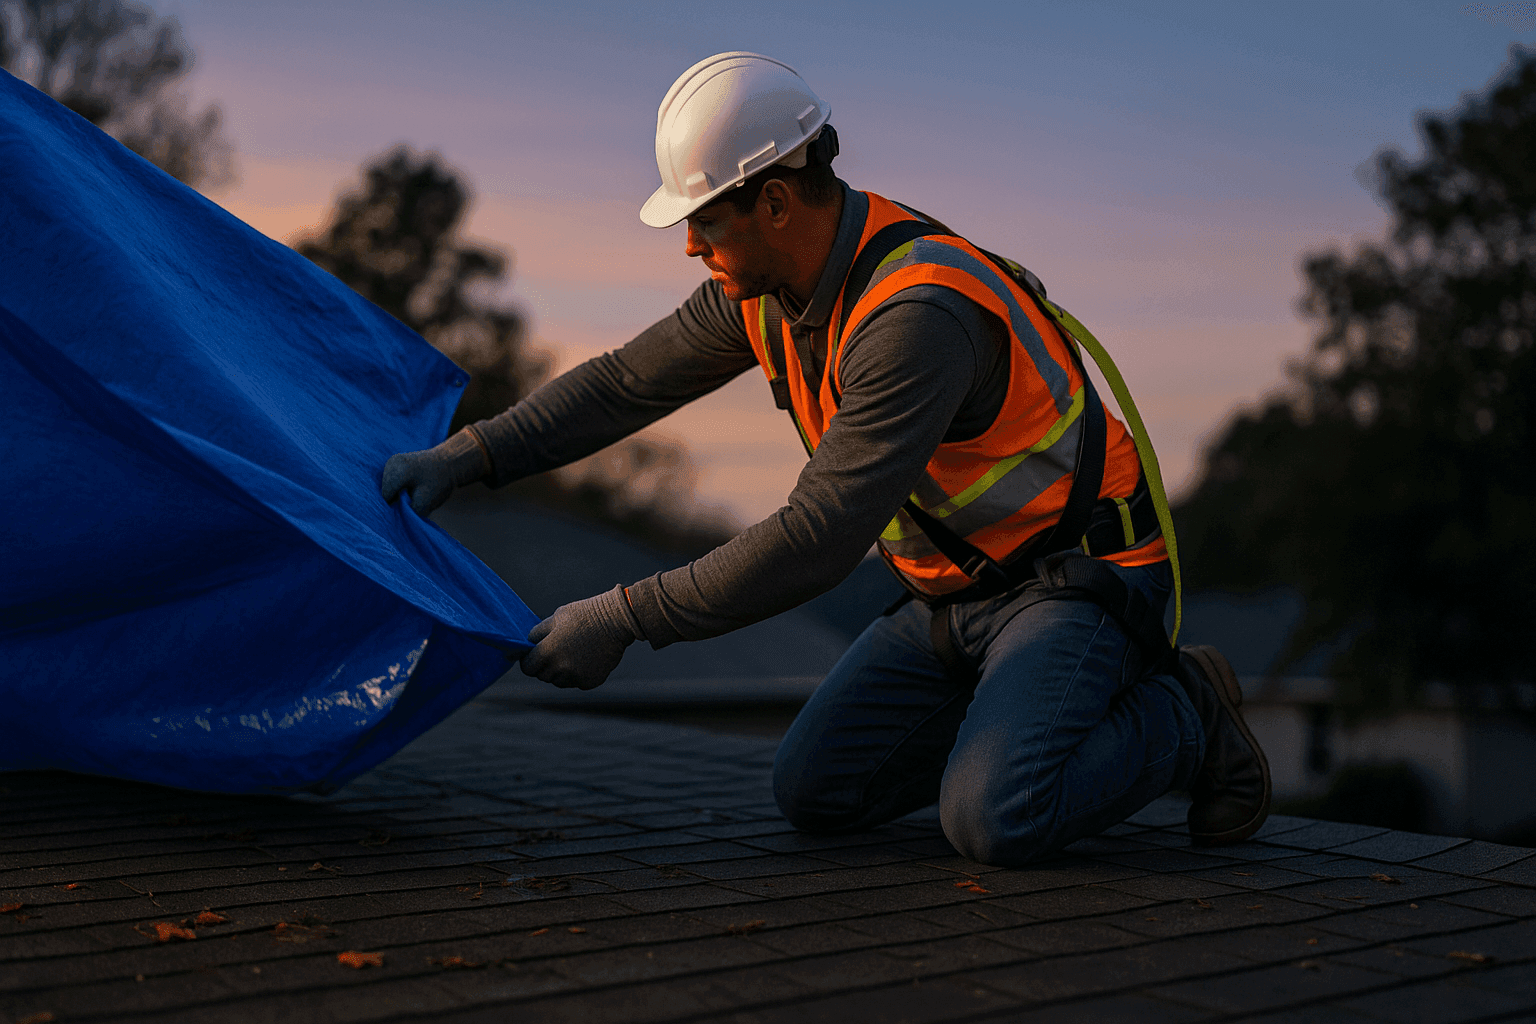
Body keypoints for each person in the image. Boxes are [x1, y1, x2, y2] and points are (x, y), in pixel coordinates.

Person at [381, 52, 1270, 867]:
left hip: (1078, 582)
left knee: (997, 816)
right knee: (816, 792)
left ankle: (1187, 710)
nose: (692, 246)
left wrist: (623, 615)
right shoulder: (763, 288)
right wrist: (468, 455)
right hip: (954, 595)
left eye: (705, 221)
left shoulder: (916, 317)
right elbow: (624, 384)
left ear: (775, 199)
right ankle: (1018, 707)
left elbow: (818, 537)